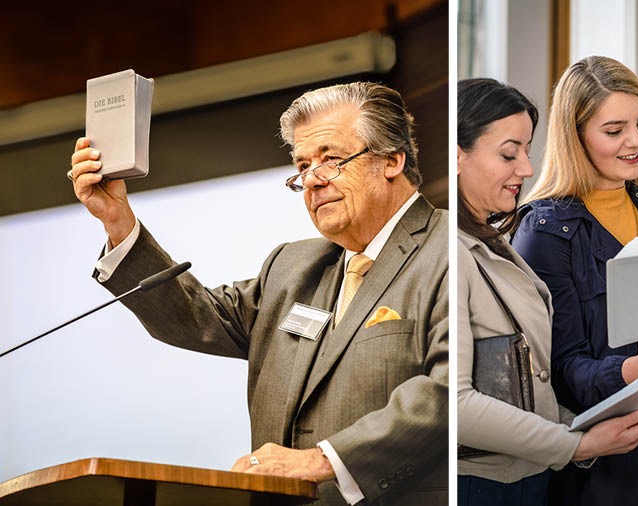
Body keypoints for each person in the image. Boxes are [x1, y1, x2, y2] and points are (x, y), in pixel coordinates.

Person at [68, 82, 448, 506]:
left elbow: (453, 387)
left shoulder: (453, 249)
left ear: (391, 160)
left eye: (332, 159)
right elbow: (196, 316)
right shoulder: (292, 266)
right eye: (302, 166)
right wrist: (118, 222)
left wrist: (325, 460)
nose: (313, 181)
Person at [456, 78, 638, 506]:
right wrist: (576, 443)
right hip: (500, 481)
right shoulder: (534, 233)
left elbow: (531, 381)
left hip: (558, 466)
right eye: (509, 153)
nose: (526, 167)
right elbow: (549, 374)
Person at [510, 56, 638, 506]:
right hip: (593, 471)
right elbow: (556, 375)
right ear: (576, 136)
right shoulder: (543, 231)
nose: (635, 140)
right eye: (614, 130)